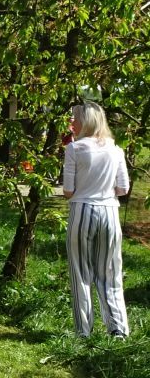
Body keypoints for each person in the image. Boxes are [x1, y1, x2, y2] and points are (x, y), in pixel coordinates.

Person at [63, 102, 130, 340]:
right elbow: (123, 189)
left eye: (75, 118)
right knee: (110, 271)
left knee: (81, 272)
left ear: (86, 121)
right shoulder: (116, 149)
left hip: (82, 210)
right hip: (109, 211)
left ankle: (83, 330)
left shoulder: (74, 148)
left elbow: (68, 191)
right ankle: (118, 328)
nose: (72, 122)